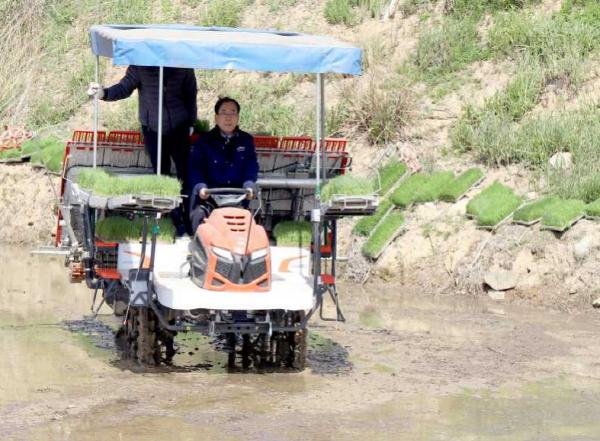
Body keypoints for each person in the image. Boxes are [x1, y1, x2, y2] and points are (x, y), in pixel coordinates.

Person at [87, 66, 198, 235]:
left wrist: (191, 122)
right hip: (152, 129)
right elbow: (124, 87)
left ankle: (189, 220)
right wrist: (104, 93)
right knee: (162, 176)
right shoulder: (140, 64)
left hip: (179, 126)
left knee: (185, 174)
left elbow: (191, 93)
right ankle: (171, 219)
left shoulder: (182, 64)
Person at [188, 97, 259, 233]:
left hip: (238, 195)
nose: (228, 117)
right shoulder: (204, 141)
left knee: (245, 228)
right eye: (224, 112)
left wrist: (249, 185)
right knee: (200, 221)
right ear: (216, 117)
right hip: (209, 196)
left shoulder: (246, 140)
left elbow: (251, 166)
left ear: (238, 117)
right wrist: (201, 187)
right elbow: (195, 168)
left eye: (233, 112)